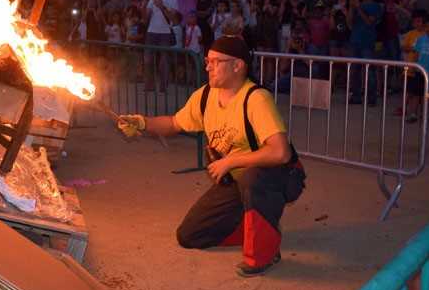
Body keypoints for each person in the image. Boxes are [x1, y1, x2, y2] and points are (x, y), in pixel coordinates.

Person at [116, 37, 305, 276]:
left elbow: (280, 152)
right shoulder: (205, 96)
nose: (207, 67)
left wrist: (229, 161)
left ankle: (264, 252)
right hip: (237, 178)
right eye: (207, 61)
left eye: (215, 61)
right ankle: (253, 229)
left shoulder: (256, 98)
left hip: (281, 176)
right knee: (190, 235)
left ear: (238, 65)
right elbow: (174, 123)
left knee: (253, 179)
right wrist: (142, 123)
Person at [143, 0, 180, 90]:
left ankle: (163, 85)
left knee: (163, 61)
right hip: (151, 32)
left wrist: (162, 6)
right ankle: (150, 84)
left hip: (165, 33)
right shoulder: (152, 0)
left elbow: (174, 20)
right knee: (148, 60)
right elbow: (145, 19)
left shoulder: (173, 0)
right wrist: (144, 6)